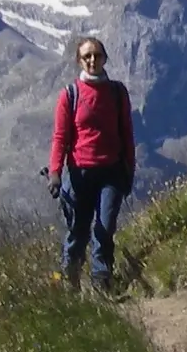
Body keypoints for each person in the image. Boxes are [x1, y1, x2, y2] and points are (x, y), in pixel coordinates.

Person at [48, 37, 136, 292]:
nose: (92, 60)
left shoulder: (117, 93)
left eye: (97, 55)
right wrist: (55, 172)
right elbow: (60, 137)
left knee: (105, 227)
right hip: (79, 174)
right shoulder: (70, 95)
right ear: (79, 61)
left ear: (105, 58)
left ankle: (101, 280)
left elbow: (127, 133)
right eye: (87, 56)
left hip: (112, 172)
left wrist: (129, 169)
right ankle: (70, 279)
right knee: (78, 230)